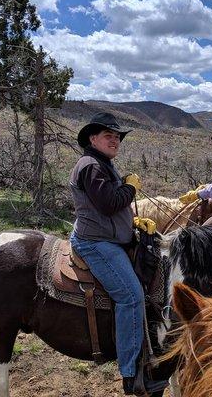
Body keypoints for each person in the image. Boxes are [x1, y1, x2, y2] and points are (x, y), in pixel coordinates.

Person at [69, 112, 161, 395]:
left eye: (118, 136)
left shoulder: (100, 164)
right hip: (96, 243)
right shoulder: (91, 166)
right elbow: (109, 203)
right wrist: (130, 187)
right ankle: (130, 373)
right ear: (92, 138)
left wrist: (130, 222)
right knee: (131, 296)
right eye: (109, 135)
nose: (115, 139)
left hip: (107, 237)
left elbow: (108, 207)